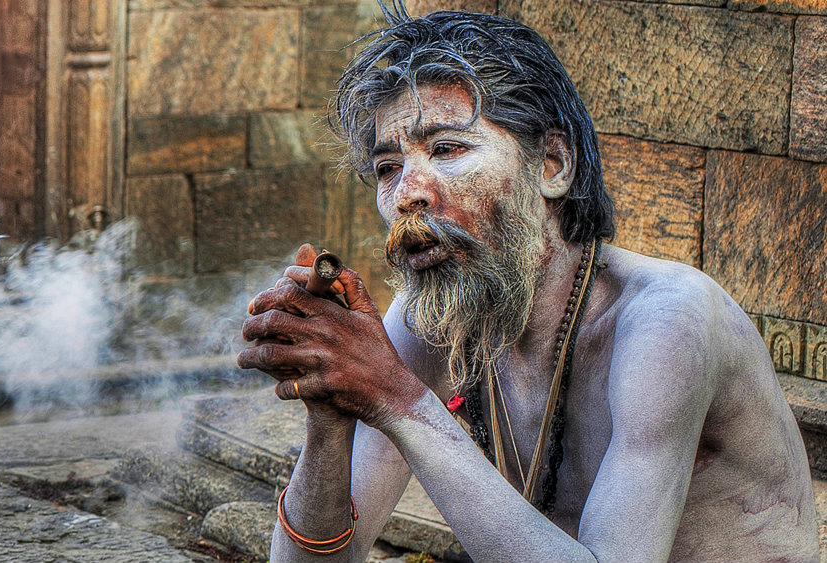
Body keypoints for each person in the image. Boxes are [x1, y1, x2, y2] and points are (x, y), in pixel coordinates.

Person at [236, 6, 819, 562]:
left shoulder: (667, 321)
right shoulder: (437, 323)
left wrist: (398, 399)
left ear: (552, 165)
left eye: (447, 148)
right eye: (389, 167)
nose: (407, 192)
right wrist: (330, 410)